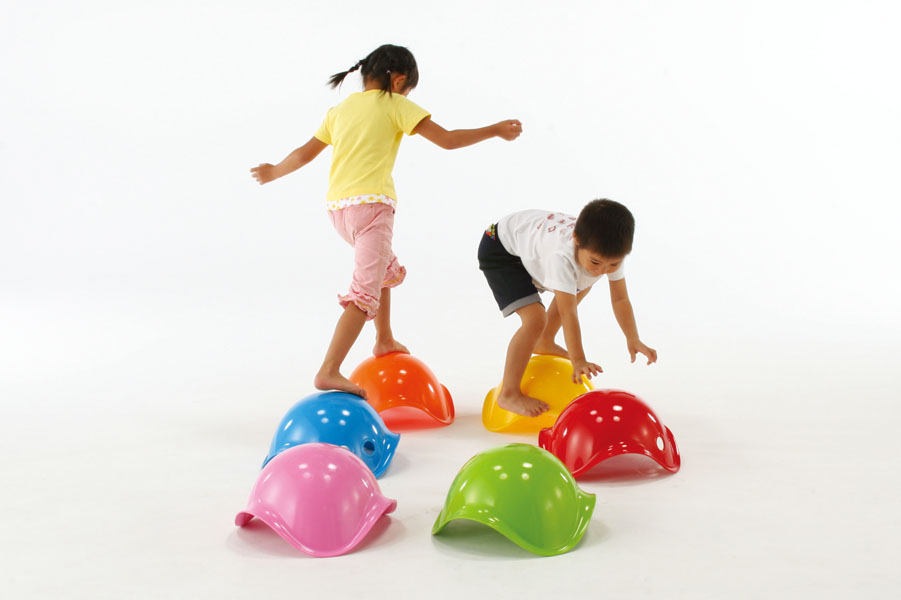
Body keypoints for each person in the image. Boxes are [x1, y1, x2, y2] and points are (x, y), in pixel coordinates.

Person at [251, 44, 522, 398]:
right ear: (398, 80)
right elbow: (447, 140)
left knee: (384, 271)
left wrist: (273, 171)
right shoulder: (394, 104)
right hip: (373, 209)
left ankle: (383, 338)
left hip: (339, 212)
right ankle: (329, 369)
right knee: (363, 294)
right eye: (408, 90)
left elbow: (304, 154)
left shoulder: (339, 110)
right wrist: (495, 129)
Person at [477, 199, 657, 417]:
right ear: (577, 240)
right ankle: (509, 394)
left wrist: (633, 338)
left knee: (583, 283)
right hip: (500, 249)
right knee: (535, 320)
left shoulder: (610, 251)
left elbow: (620, 299)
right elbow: (568, 312)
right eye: (596, 262)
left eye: (613, 264)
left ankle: (544, 341)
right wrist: (578, 360)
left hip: (530, 245)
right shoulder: (561, 257)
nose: (603, 270)